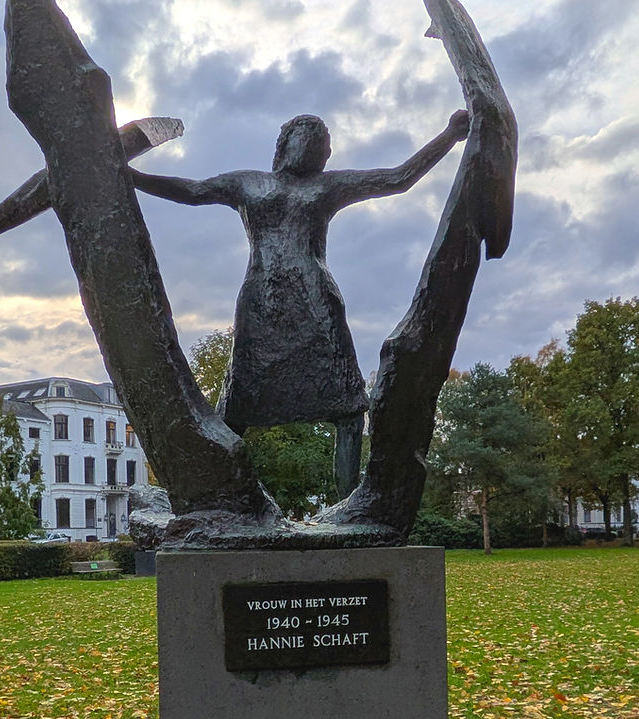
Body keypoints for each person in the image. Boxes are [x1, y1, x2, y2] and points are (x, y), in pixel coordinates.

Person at [131, 109, 470, 496]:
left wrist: (449, 136)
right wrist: (134, 177)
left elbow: (398, 178)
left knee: (347, 408)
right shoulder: (249, 184)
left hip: (317, 304)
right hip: (263, 304)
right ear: (285, 143)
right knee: (236, 409)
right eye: (305, 137)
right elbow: (191, 191)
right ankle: (219, 494)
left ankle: (348, 505)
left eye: (320, 145)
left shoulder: (327, 187)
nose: (313, 148)